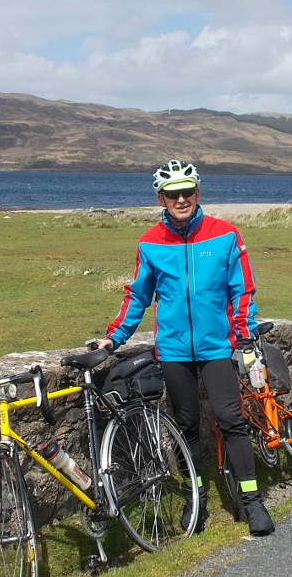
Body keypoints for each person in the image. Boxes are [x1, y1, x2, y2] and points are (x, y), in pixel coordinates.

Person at [92, 159, 274, 536]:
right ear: (161, 197)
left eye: (187, 191)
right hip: (173, 351)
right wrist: (113, 338)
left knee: (231, 421)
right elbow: (138, 296)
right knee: (186, 425)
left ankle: (253, 501)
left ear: (198, 192)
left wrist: (244, 333)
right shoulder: (150, 242)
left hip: (217, 348)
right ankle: (196, 498)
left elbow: (242, 289)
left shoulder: (225, 234)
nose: (181, 199)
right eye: (172, 194)